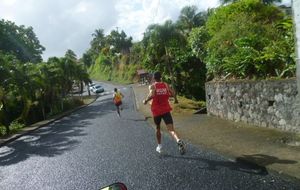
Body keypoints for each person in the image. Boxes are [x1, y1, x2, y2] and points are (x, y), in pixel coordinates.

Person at [143, 71, 185, 155]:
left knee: (158, 128)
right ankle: (178, 140)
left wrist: (145, 100)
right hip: (166, 110)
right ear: (161, 77)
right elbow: (173, 94)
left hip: (157, 112)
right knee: (171, 130)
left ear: (154, 78)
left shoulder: (153, 86)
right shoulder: (166, 85)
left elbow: (152, 95)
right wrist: (167, 95)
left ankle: (159, 146)